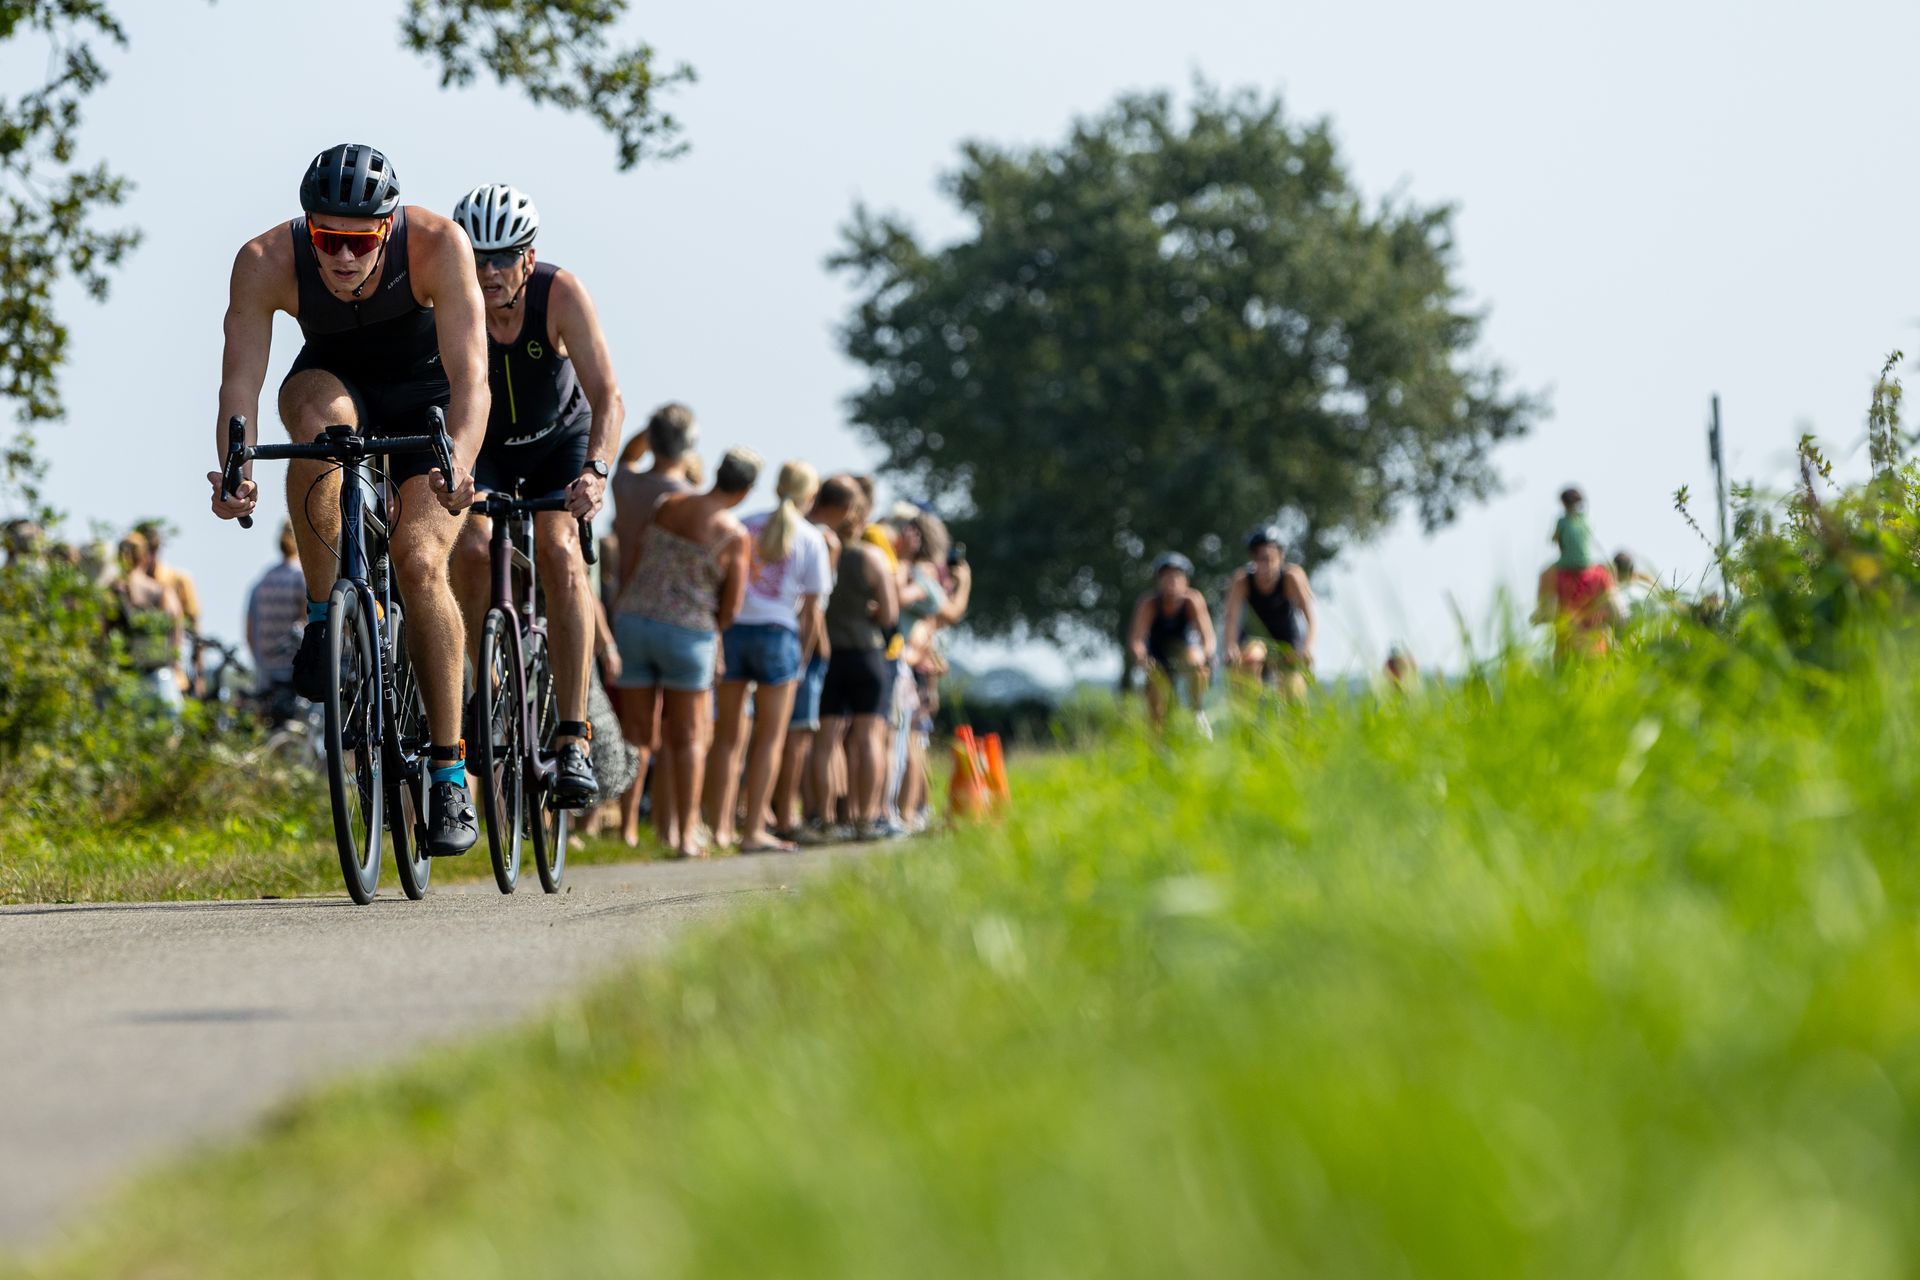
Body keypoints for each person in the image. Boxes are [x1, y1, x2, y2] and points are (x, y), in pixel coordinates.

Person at [207, 142, 486, 856]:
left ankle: (450, 771)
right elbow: (238, 384)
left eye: (358, 242)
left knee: (421, 562)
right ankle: (327, 616)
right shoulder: (266, 260)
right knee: (313, 426)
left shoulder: (437, 246)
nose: (340, 257)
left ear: (388, 230)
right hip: (334, 382)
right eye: (325, 237)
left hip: (428, 401)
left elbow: (472, 379)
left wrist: (462, 460)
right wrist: (235, 468)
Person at [448, 183, 623, 809]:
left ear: (529, 257)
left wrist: (597, 472)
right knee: (467, 545)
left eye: (503, 257)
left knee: (559, 552)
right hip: (486, 444)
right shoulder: (446, 297)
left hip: (561, 443)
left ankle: (573, 737)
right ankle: (485, 684)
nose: (489, 271)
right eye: (477, 257)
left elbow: (610, 395)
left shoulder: (559, 293)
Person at [612, 447, 757, 857]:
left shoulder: (669, 503)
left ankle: (627, 830)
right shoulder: (734, 534)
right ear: (745, 491)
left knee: (637, 734)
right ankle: (684, 835)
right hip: (688, 633)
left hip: (635, 620)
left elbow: (636, 556)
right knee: (690, 737)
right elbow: (731, 608)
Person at [704, 460, 831, 852]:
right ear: (811, 497)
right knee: (769, 741)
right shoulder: (812, 538)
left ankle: (719, 827)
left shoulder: (744, 523)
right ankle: (753, 829)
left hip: (736, 629)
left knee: (726, 738)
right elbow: (811, 610)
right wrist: (804, 656)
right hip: (779, 636)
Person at [610, 403, 699, 846]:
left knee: (636, 732)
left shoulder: (627, 485)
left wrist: (650, 429)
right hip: (677, 618)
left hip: (627, 611)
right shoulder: (690, 497)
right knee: (682, 735)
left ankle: (626, 826)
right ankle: (675, 828)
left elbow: (626, 457)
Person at [812, 482, 900, 840]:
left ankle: (829, 818)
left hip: (830, 653)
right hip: (866, 652)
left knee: (827, 740)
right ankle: (866, 817)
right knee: (869, 739)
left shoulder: (822, 551)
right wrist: (873, 612)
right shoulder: (871, 558)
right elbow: (891, 614)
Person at [774, 477, 850, 842]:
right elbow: (815, 603)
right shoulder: (824, 539)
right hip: (804, 642)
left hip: (781, 633)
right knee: (800, 738)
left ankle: (789, 812)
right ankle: (798, 815)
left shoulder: (785, 527)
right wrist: (818, 648)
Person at [1220, 525, 1316, 700]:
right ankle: (1251, 714)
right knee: (1249, 660)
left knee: (1294, 693)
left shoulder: (1291, 577)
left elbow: (1309, 616)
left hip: (1287, 638)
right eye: (1260, 559)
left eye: (1270, 558)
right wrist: (1230, 646)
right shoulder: (1242, 581)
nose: (1266, 565)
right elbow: (1231, 618)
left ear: (1281, 557)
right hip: (1254, 638)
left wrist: (1307, 648)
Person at [1127, 552, 1216, 733]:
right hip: (1158, 657)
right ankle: (1157, 742)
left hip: (1186, 653)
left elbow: (1208, 638)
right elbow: (1137, 640)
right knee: (1156, 705)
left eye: (1176, 576)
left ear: (1186, 581)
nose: (1171, 581)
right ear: (1158, 581)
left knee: (1197, 664)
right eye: (1166, 577)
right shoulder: (1149, 604)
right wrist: (1142, 657)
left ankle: (1197, 712)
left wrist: (1205, 655)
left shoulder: (1192, 600)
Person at [1534, 486, 1617, 656]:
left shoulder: (1562, 521)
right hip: (1588, 562)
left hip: (1566, 563)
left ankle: (1541, 610)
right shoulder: (1586, 520)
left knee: (1544, 576)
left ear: (1564, 503)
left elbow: (1554, 540)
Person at [112, 531, 184, 714]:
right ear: (144, 557)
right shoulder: (159, 590)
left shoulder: (114, 591)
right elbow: (176, 627)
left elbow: (103, 634)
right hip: (160, 675)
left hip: (124, 679)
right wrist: (176, 667)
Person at [244, 520, 307, 699]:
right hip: (294, 672)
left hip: (266, 669)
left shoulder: (262, 580)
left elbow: (250, 632)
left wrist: (260, 661)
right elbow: (306, 623)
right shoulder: (301, 577)